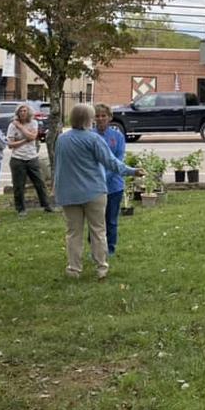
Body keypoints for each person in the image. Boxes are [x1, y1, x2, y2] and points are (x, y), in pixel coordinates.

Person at [54, 104, 142, 280]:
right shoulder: (94, 140)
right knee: (98, 230)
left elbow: (59, 166)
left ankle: (74, 269)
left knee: (73, 232)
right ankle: (101, 267)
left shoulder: (62, 139)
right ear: (89, 119)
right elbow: (112, 163)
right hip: (93, 191)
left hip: (68, 193)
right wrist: (133, 171)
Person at [7, 103, 52, 215]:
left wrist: (21, 127)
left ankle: (46, 205)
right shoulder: (12, 126)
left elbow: (32, 137)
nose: (23, 113)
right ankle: (21, 209)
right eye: (21, 111)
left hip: (32, 157)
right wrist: (23, 141)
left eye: (25, 110)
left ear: (29, 112)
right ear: (17, 113)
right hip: (17, 158)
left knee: (39, 182)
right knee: (19, 185)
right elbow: (10, 144)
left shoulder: (33, 123)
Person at [93, 103, 126, 257]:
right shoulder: (90, 135)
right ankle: (96, 248)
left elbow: (118, 159)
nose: (100, 119)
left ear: (110, 118)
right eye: (97, 116)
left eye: (103, 116)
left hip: (114, 186)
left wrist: (106, 176)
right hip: (93, 187)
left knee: (111, 220)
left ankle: (110, 248)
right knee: (95, 221)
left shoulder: (117, 136)